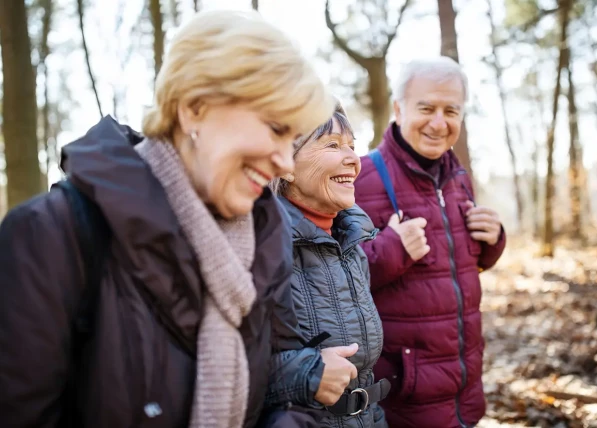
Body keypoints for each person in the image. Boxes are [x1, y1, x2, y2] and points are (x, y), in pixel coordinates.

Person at [0, 10, 338, 428]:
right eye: (275, 128)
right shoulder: (50, 235)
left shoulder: (266, 238)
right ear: (193, 108)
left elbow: (282, 392)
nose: (286, 162)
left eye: (293, 140)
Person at [354, 57, 507, 428]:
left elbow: (453, 267)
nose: (439, 123)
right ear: (397, 108)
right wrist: (392, 249)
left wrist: (492, 242)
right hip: (403, 402)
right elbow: (331, 283)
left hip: (465, 393)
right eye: (427, 108)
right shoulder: (359, 179)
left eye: (451, 110)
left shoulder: (458, 178)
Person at [266, 103, 389, 428]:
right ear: (285, 164)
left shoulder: (351, 240)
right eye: (333, 145)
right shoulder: (260, 243)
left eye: (352, 145)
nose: (353, 158)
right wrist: (305, 373)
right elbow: (220, 369)